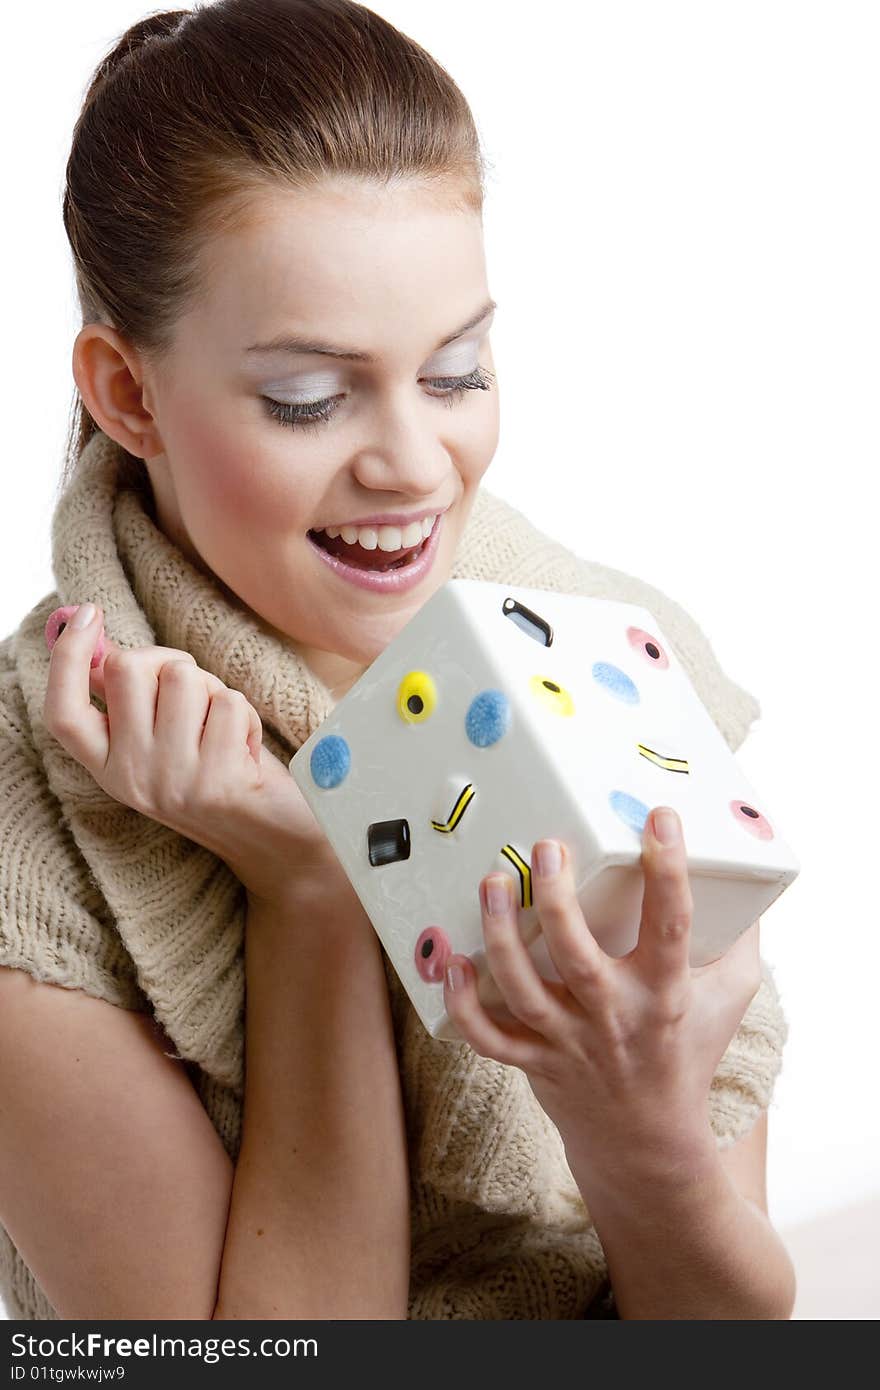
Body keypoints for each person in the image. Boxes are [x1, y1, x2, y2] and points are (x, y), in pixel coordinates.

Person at [0, 0, 795, 1320]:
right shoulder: (25, 824)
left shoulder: (612, 662)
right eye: (309, 397)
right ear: (128, 394)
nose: (415, 466)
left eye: (458, 369)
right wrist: (310, 886)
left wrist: (636, 1130)